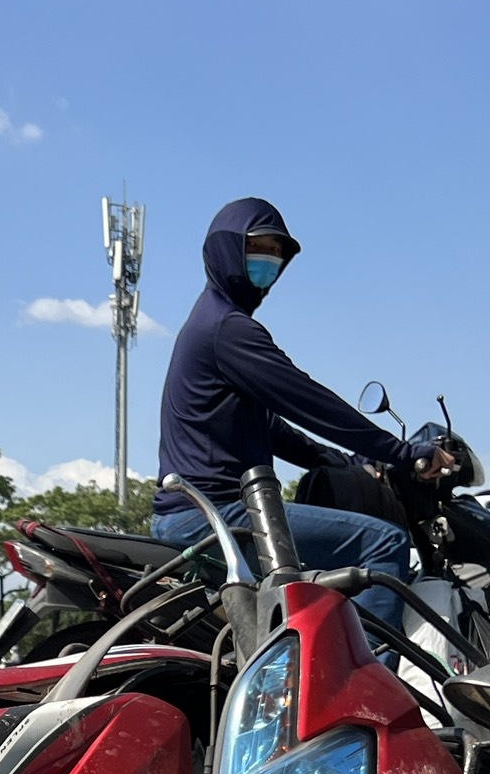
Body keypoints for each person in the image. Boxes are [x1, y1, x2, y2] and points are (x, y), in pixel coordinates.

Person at [151, 196, 450, 640]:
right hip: (217, 515)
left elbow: (274, 430)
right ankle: (366, 695)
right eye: (259, 248)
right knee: (383, 542)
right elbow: (306, 400)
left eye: (277, 253)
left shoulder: (213, 322)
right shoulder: (228, 329)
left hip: (202, 513)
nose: (269, 261)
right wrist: (404, 453)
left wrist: (348, 464)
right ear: (228, 250)